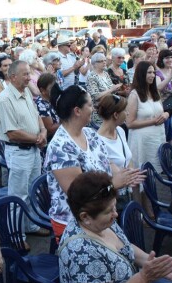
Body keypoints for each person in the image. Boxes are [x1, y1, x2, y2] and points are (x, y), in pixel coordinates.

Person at [58, 171, 172, 283]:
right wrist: (145, 277)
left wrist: (153, 264)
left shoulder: (99, 224)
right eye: (109, 211)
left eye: (115, 207)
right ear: (85, 217)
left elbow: (124, 247)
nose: (116, 214)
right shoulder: (82, 253)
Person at [44, 85, 143, 241]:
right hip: (76, 222)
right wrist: (112, 184)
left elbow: (107, 161)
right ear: (77, 111)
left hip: (100, 213)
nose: (94, 108)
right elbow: (78, 195)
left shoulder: (89, 133)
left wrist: (124, 175)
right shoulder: (60, 147)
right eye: (90, 105)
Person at [0, 60, 49, 239]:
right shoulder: (4, 99)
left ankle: (31, 225)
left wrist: (42, 131)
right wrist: (38, 138)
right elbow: (12, 133)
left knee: (33, 191)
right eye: (25, 74)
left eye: (29, 73)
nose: (29, 78)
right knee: (18, 196)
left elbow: (36, 116)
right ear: (12, 77)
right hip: (19, 151)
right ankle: (17, 236)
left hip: (33, 149)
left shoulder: (25, 91)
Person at [126, 61, 169, 217]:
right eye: (148, 73)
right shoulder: (135, 94)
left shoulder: (155, 92)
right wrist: (153, 121)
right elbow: (129, 123)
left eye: (153, 72)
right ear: (141, 74)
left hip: (156, 138)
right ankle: (139, 212)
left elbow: (161, 112)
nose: (152, 75)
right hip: (140, 141)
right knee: (139, 175)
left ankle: (149, 205)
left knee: (150, 174)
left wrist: (166, 115)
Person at [97, 94, 135, 212]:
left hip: (127, 191)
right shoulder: (98, 142)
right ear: (116, 115)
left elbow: (128, 159)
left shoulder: (120, 131)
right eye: (125, 111)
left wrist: (131, 174)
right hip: (114, 198)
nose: (127, 114)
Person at [35, 73, 60, 140]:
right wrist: (68, 121)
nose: (55, 89)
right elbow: (50, 129)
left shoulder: (53, 99)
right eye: (52, 88)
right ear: (43, 90)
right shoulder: (40, 104)